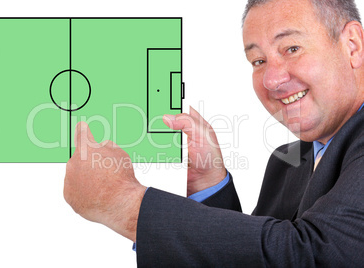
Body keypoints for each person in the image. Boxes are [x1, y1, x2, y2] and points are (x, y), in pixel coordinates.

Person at [63, 0, 364, 266]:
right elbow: (252, 258)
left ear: (352, 45)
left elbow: (316, 255)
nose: (272, 79)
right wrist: (210, 185)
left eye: (292, 49)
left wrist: (125, 204)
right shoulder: (287, 163)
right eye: (258, 61)